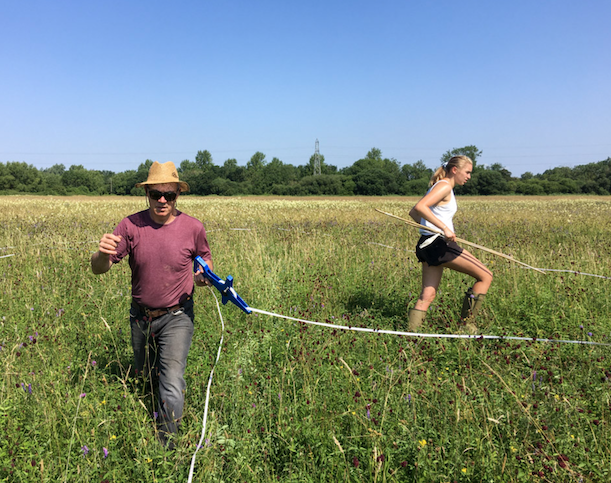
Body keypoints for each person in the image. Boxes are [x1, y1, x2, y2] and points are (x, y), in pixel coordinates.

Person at [91, 161, 213, 448]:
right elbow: (100, 268)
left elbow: (205, 259)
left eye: (168, 195)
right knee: (144, 375)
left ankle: (166, 449)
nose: (162, 200)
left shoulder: (193, 227)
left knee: (170, 380)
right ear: (147, 194)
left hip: (178, 315)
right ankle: (150, 413)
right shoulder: (130, 225)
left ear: (177, 196)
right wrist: (100, 254)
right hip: (141, 316)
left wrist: (204, 275)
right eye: (155, 194)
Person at [407, 155, 492, 332]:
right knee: (485, 276)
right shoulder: (445, 186)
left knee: (427, 294)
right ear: (455, 170)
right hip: (439, 244)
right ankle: (467, 326)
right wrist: (444, 228)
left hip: (426, 244)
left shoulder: (440, 186)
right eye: (467, 172)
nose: (469, 176)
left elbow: (414, 213)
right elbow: (421, 207)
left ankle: (410, 336)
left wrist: (428, 227)